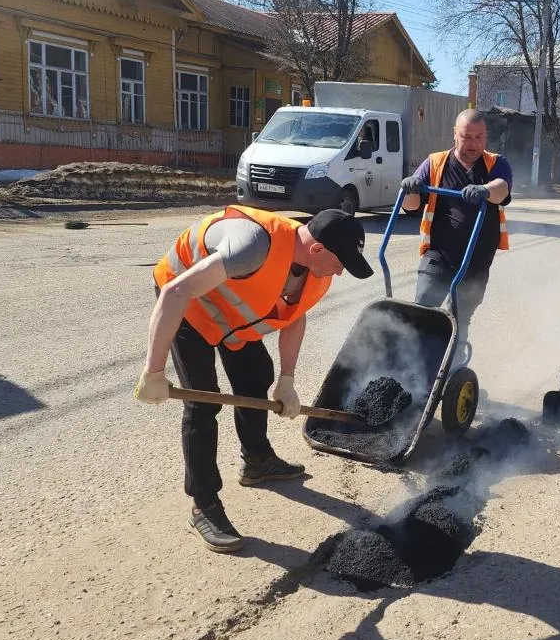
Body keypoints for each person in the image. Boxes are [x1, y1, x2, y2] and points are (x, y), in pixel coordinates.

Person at [134, 207, 373, 553]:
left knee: (257, 374)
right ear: (318, 250)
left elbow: (294, 315)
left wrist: (287, 379)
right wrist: (153, 371)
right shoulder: (252, 246)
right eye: (341, 263)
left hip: (227, 312)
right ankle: (204, 505)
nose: (340, 271)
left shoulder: (313, 267)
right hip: (186, 304)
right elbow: (175, 293)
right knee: (203, 401)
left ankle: (257, 460)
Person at [400, 109, 513, 364]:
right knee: (423, 309)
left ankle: (451, 372)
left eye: (478, 137)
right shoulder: (435, 162)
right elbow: (410, 206)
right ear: (455, 134)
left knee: (459, 318)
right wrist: (410, 187)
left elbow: (502, 189)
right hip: (439, 253)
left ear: (485, 137)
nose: (473, 144)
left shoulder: (496, 163)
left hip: (476, 259)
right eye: (466, 137)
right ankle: (414, 367)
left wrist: (484, 190)